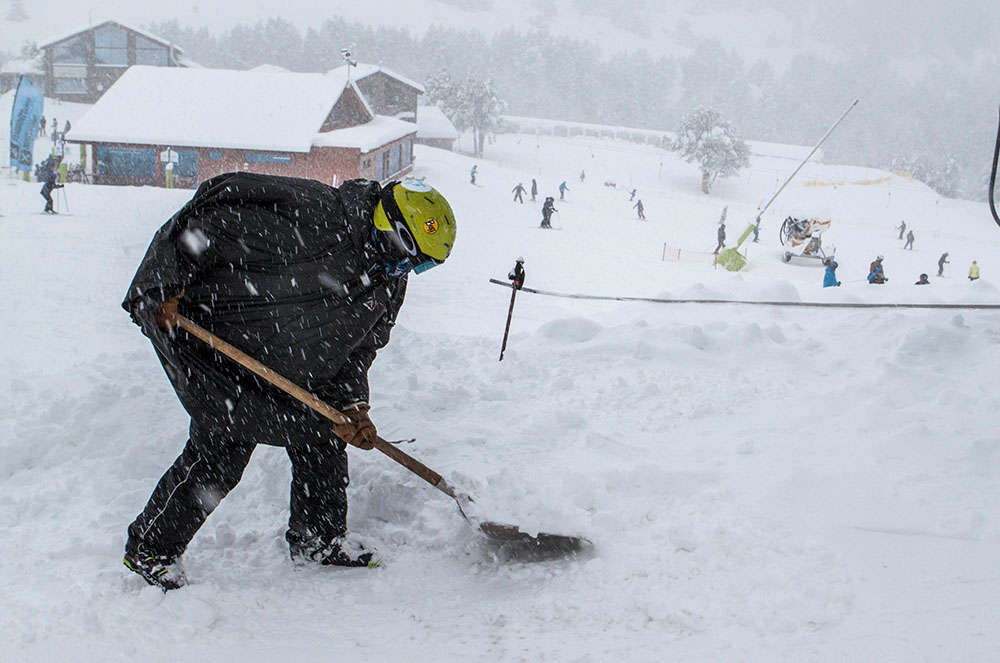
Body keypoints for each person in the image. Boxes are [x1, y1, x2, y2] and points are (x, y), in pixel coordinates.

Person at [120, 173, 457, 591]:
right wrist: (166, 284)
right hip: (225, 342)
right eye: (410, 257)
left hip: (295, 364)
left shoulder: (388, 281)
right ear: (390, 228)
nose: (408, 270)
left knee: (323, 434)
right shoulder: (315, 216)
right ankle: (151, 548)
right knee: (221, 453)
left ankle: (318, 539)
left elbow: (360, 348)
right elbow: (208, 223)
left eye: (421, 266)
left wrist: (353, 406)